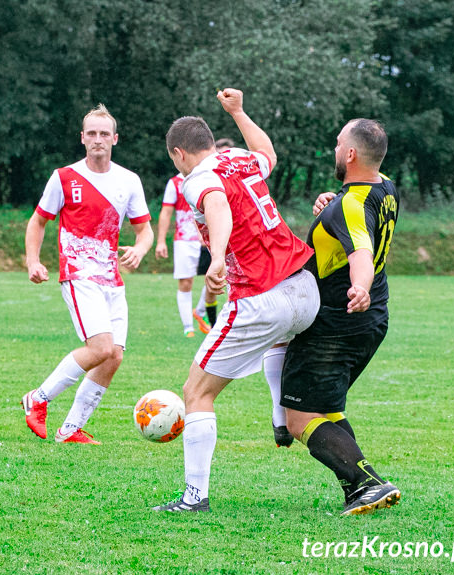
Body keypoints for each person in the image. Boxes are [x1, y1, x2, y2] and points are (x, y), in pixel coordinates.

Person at [152, 88, 320, 512]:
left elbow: (217, 205)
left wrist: (219, 257)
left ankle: (195, 497)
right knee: (280, 341)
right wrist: (239, 112)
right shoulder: (241, 159)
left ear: (179, 153)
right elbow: (267, 153)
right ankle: (281, 420)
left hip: (261, 297)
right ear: (210, 141)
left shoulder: (196, 179)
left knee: (196, 392)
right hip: (305, 287)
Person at [281, 119, 401, 516]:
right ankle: (364, 485)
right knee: (327, 409)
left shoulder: (347, 205)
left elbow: (360, 252)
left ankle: (365, 484)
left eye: (337, 144)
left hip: (338, 320)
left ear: (350, 154)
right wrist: (327, 206)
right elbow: (353, 217)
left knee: (299, 417)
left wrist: (360, 286)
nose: (335, 150)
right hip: (371, 321)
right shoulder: (384, 187)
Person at [21, 104, 154, 445]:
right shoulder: (64, 177)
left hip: (112, 278)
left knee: (115, 355)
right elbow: (38, 221)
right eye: (91, 133)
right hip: (79, 275)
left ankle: (70, 430)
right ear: (82, 138)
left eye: (104, 134)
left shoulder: (128, 180)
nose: (98, 139)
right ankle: (38, 398)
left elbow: (145, 231)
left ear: (115, 139)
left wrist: (139, 250)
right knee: (100, 347)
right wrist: (32, 261)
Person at [155, 172, 212, 337]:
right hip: (184, 240)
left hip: (208, 238)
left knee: (215, 278)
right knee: (186, 282)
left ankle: (200, 312)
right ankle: (188, 327)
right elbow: (166, 212)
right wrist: (161, 241)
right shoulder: (175, 183)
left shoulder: (208, 176)